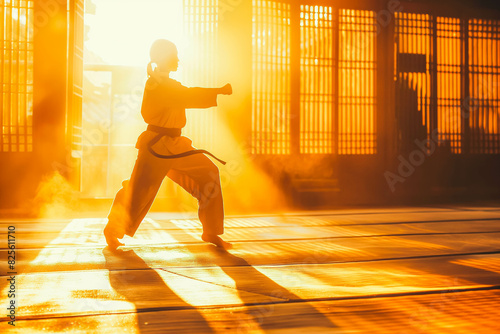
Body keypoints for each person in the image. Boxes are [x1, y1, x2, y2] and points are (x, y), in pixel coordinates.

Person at [103, 39, 233, 250]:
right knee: (138, 190)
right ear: (164, 59)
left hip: (177, 144)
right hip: (156, 146)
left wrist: (215, 91)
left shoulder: (166, 83)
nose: (178, 60)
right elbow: (185, 95)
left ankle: (211, 230)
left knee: (209, 173)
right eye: (174, 56)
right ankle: (112, 229)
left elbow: (184, 94)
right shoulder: (155, 84)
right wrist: (217, 90)